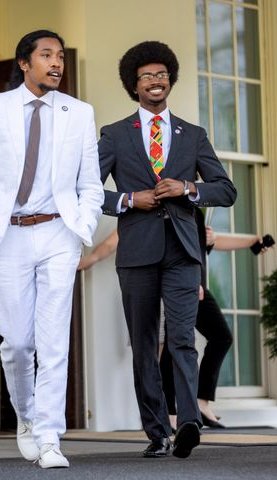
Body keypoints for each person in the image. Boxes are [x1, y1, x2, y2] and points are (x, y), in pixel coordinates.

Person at [0, 29, 103, 469]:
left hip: (58, 234)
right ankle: (26, 417)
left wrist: (81, 227)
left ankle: (49, 437)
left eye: (60, 56)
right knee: (19, 341)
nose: (57, 63)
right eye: (47, 55)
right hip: (7, 235)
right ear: (24, 62)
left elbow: (89, 183)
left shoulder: (79, 113)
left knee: (53, 341)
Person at [98, 41, 237, 459]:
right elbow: (83, 191)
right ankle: (157, 431)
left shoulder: (192, 136)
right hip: (137, 253)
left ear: (170, 80)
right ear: (133, 85)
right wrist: (128, 200)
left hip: (182, 253)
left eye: (162, 75)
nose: (155, 81)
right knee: (143, 343)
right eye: (147, 76)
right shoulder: (115, 135)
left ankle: (189, 421)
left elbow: (226, 190)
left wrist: (189, 188)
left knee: (181, 338)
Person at [160, 209, 272, 431]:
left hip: (195, 285)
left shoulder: (196, 211)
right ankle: (170, 413)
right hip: (179, 282)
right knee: (175, 344)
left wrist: (253, 241)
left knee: (220, 337)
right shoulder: (175, 206)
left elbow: (213, 242)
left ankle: (200, 402)